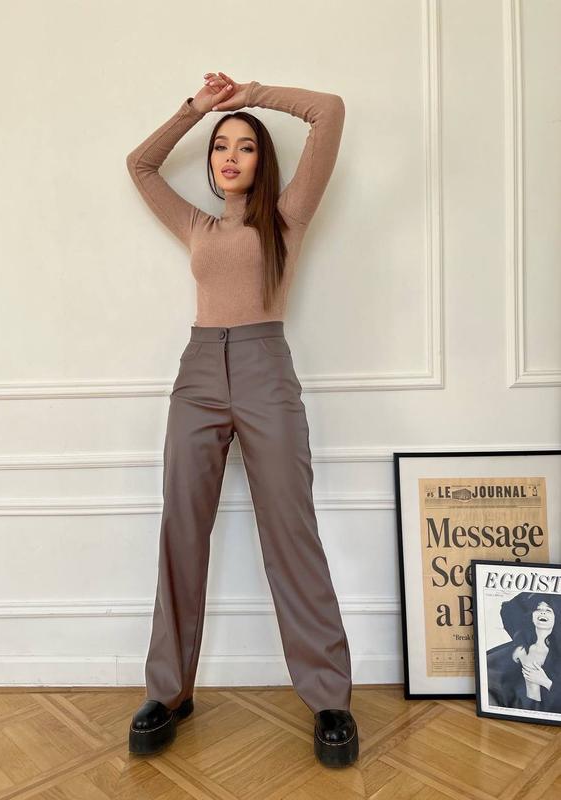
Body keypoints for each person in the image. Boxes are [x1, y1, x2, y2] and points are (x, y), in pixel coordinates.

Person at [125, 71, 358, 768]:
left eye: (245, 146)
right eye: (220, 146)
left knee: (291, 530)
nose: (230, 156)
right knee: (181, 529)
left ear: (264, 160)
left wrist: (250, 94)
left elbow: (329, 110)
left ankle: (329, 699)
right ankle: (168, 692)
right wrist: (194, 110)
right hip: (198, 372)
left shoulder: (288, 216)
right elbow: (139, 165)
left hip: (264, 369)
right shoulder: (196, 225)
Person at [486, 592, 561, 713]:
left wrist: (545, 682)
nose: (542, 612)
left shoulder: (557, 654)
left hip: (548, 713)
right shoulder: (519, 650)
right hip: (515, 709)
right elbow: (510, 609)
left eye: (548, 610)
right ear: (531, 616)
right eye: (538, 609)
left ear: (556, 617)